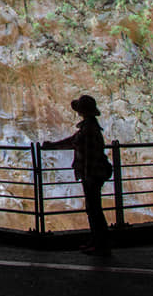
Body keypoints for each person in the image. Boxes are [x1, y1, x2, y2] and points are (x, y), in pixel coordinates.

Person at [42, 94, 113, 256]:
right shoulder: (89, 127)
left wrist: (87, 176)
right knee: (93, 209)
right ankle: (97, 241)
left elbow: (86, 153)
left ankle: (101, 244)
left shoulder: (88, 129)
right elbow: (73, 141)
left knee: (94, 209)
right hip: (93, 173)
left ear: (82, 111)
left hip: (92, 174)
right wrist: (52, 146)